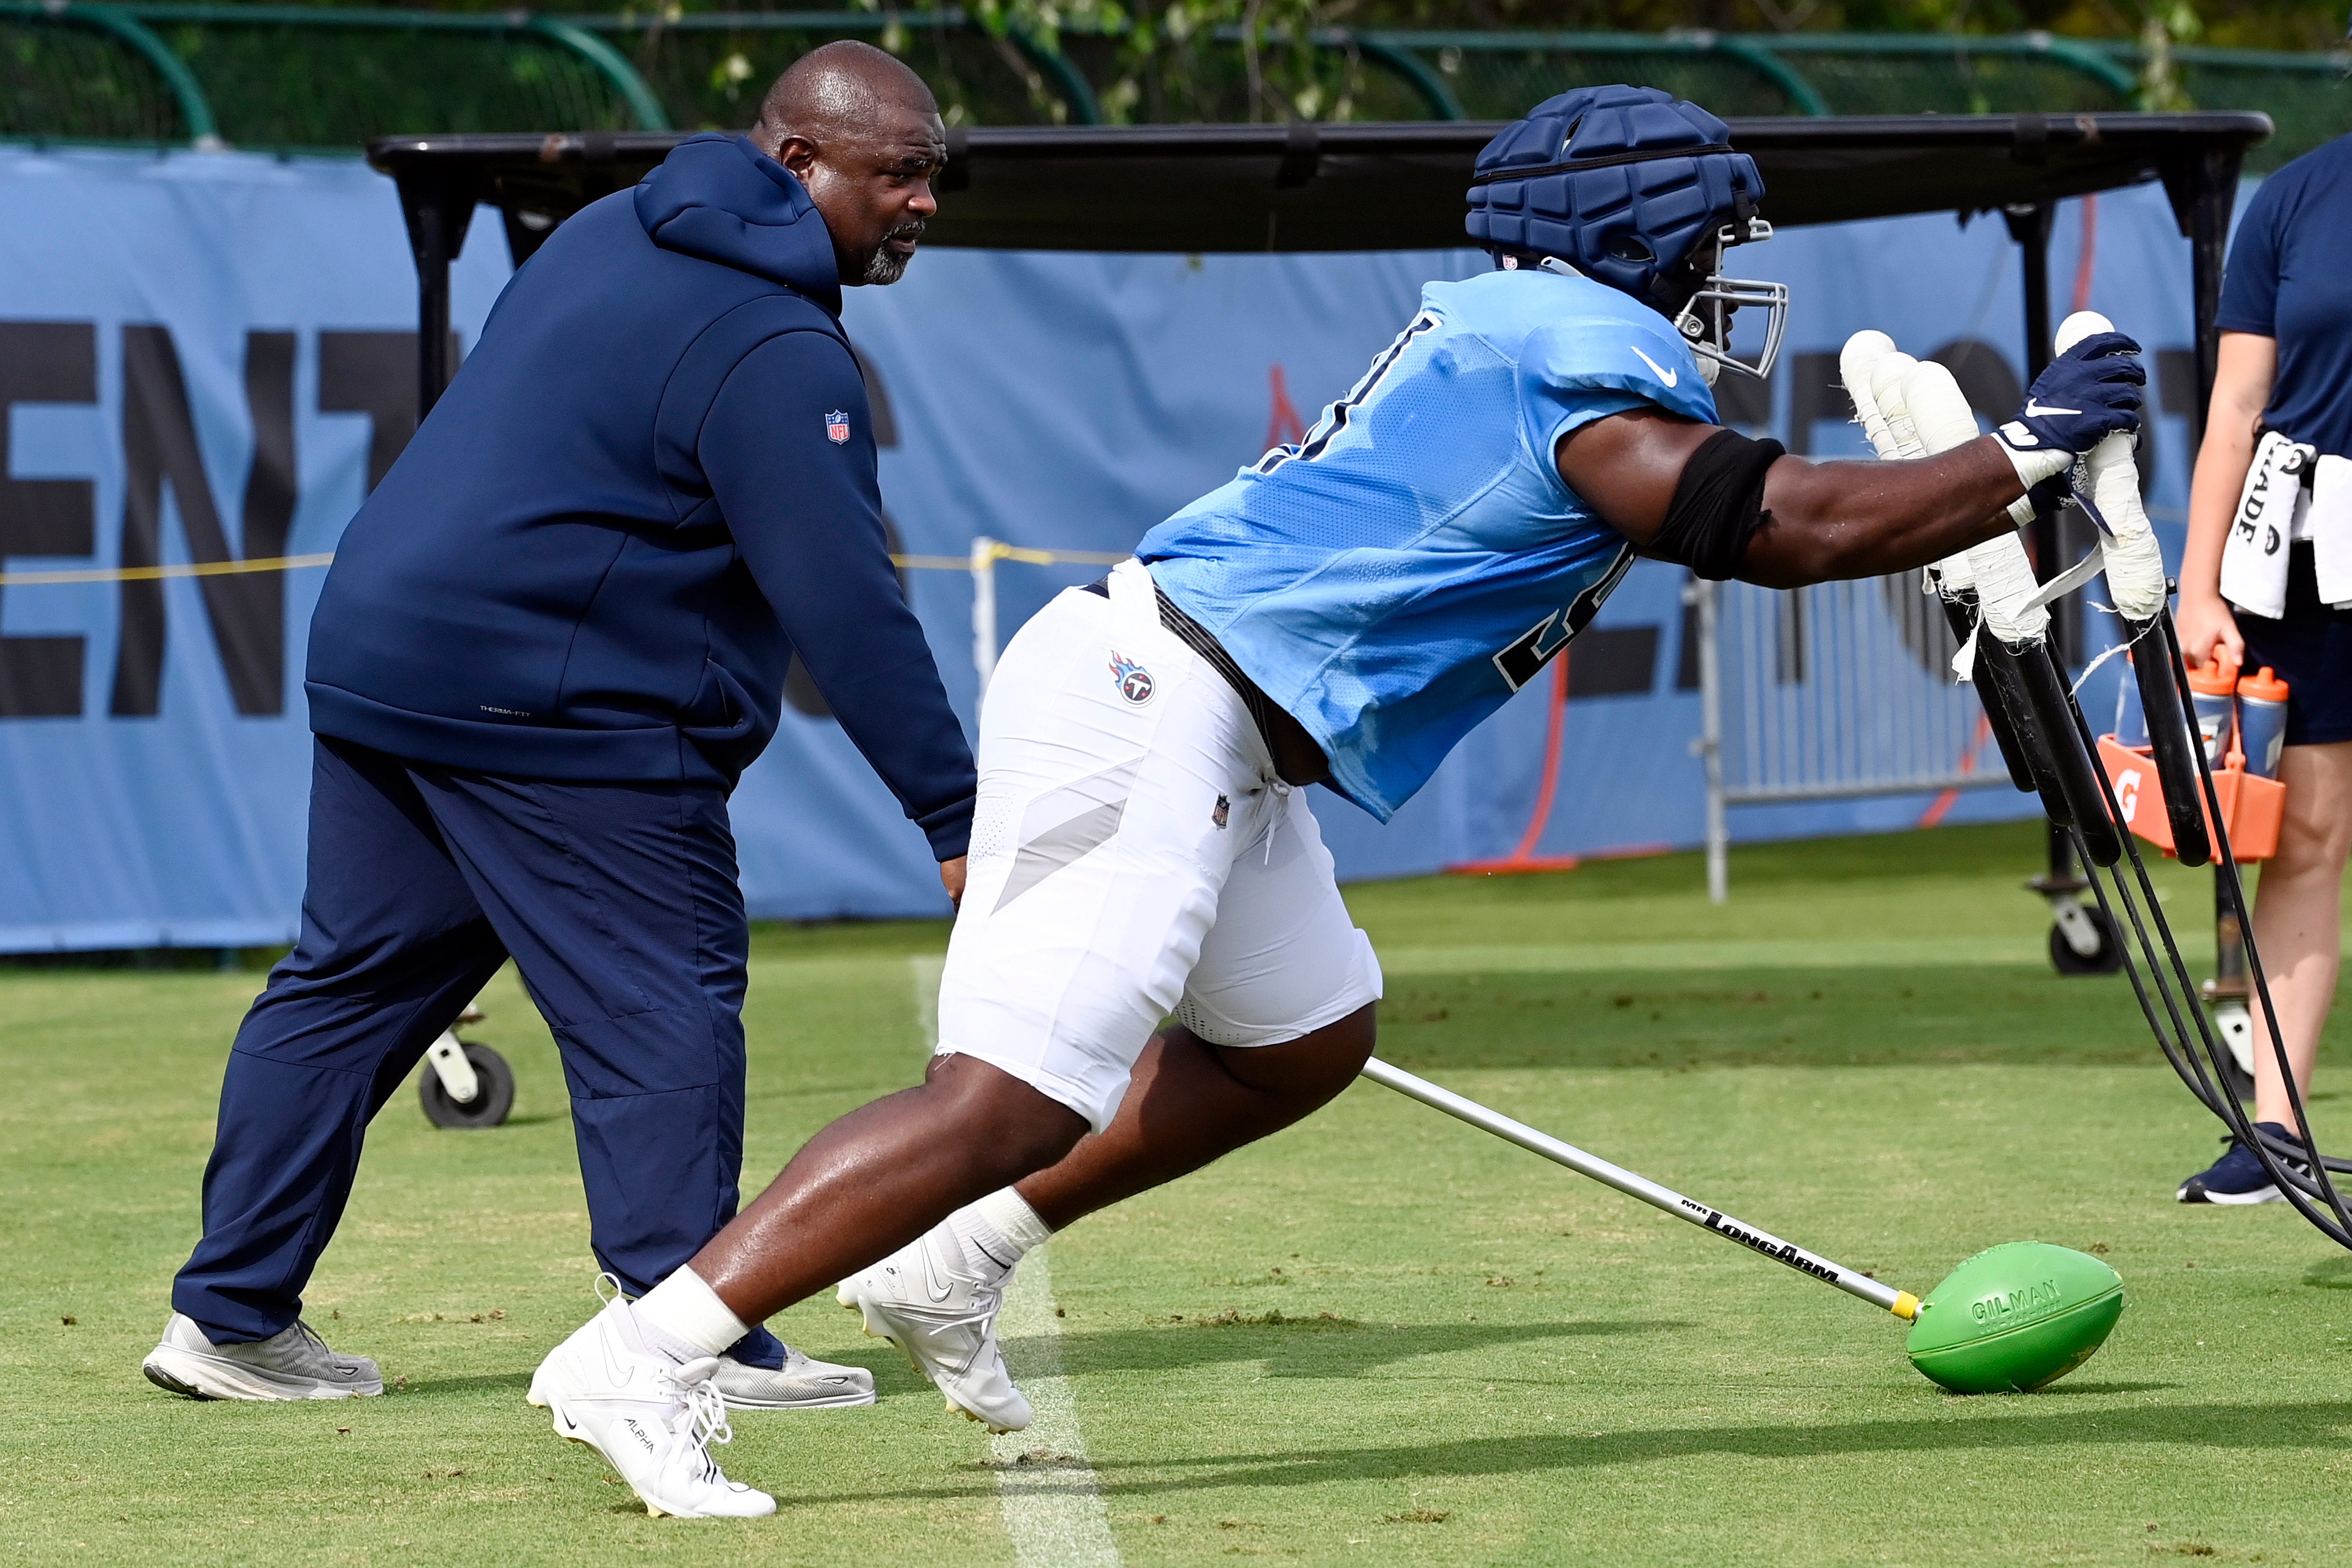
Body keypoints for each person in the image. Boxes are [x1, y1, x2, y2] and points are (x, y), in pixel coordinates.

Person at [525, 84, 2149, 1519]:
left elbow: (1758, 504)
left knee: (1301, 1035)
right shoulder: (1567, 348)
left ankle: (955, 1256)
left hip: (1220, 721)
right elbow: (1766, 520)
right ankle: (641, 1353)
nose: (1731, 269)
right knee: (1010, 1092)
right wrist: (2021, 450)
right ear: (1638, 235)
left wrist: (1999, 467)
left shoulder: (1525, 329)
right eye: (1713, 232)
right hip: (1155, 702)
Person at [142, 43, 975, 1414]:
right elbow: (842, 599)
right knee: (667, 1001)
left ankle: (228, 1320)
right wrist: (951, 813)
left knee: (350, 985)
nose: (920, 202)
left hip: (380, 652)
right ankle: (679, 1329)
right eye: (894, 174)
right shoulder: (775, 342)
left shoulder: (605, 227)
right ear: (795, 162)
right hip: (551, 704)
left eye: (929, 175)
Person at [2172, 125, 2352, 1204]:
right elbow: (2238, 408)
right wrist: (2200, 589)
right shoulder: (2292, 201)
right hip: (2307, 553)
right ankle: (2277, 1132)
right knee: (2313, 835)